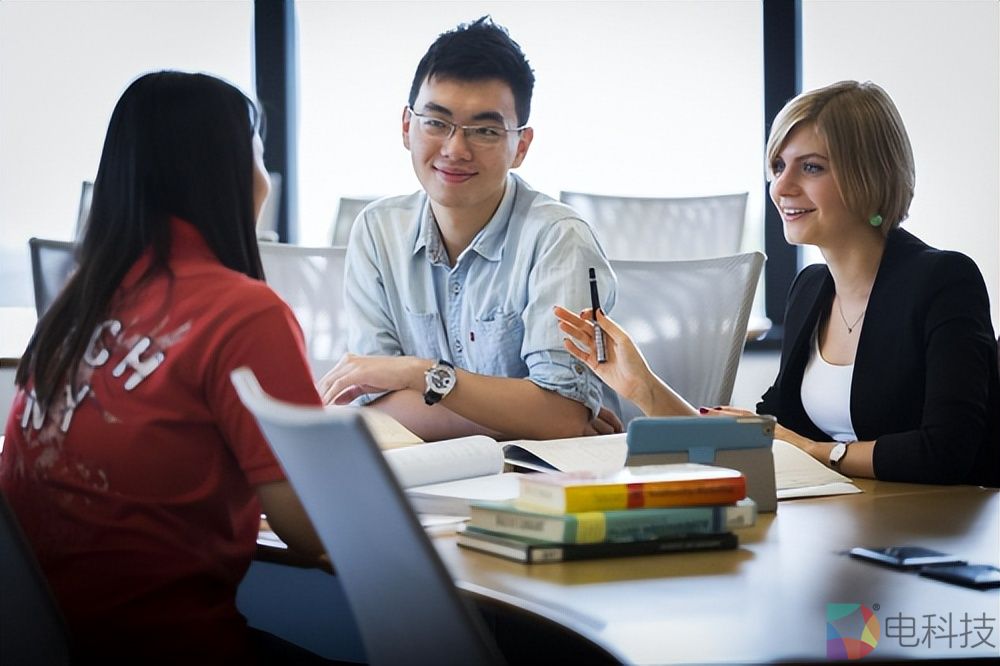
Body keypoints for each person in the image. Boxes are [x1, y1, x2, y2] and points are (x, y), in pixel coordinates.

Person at [0, 72, 329, 662]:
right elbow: (311, 530)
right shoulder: (243, 312)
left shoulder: (77, 304)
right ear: (226, 171)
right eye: (257, 154)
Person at [556, 80, 999, 487]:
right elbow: (761, 439)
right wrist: (644, 388)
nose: (781, 186)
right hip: (851, 515)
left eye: (811, 167)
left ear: (869, 173)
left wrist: (816, 452)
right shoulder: (811, 289)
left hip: (935, 530)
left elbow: (947, 451)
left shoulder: (942, 280)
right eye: (778, 166)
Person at [318, 17, 620, 441]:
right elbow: (371, 405)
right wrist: (532, 416)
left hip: (548, 485)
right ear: (407, 126)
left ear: (522, 146)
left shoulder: (558, 238)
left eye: (485, 131)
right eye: (436, 123)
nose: (455, 149)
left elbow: (561, 417)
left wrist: (416, 375)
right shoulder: (377, 230)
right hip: (436, 482)